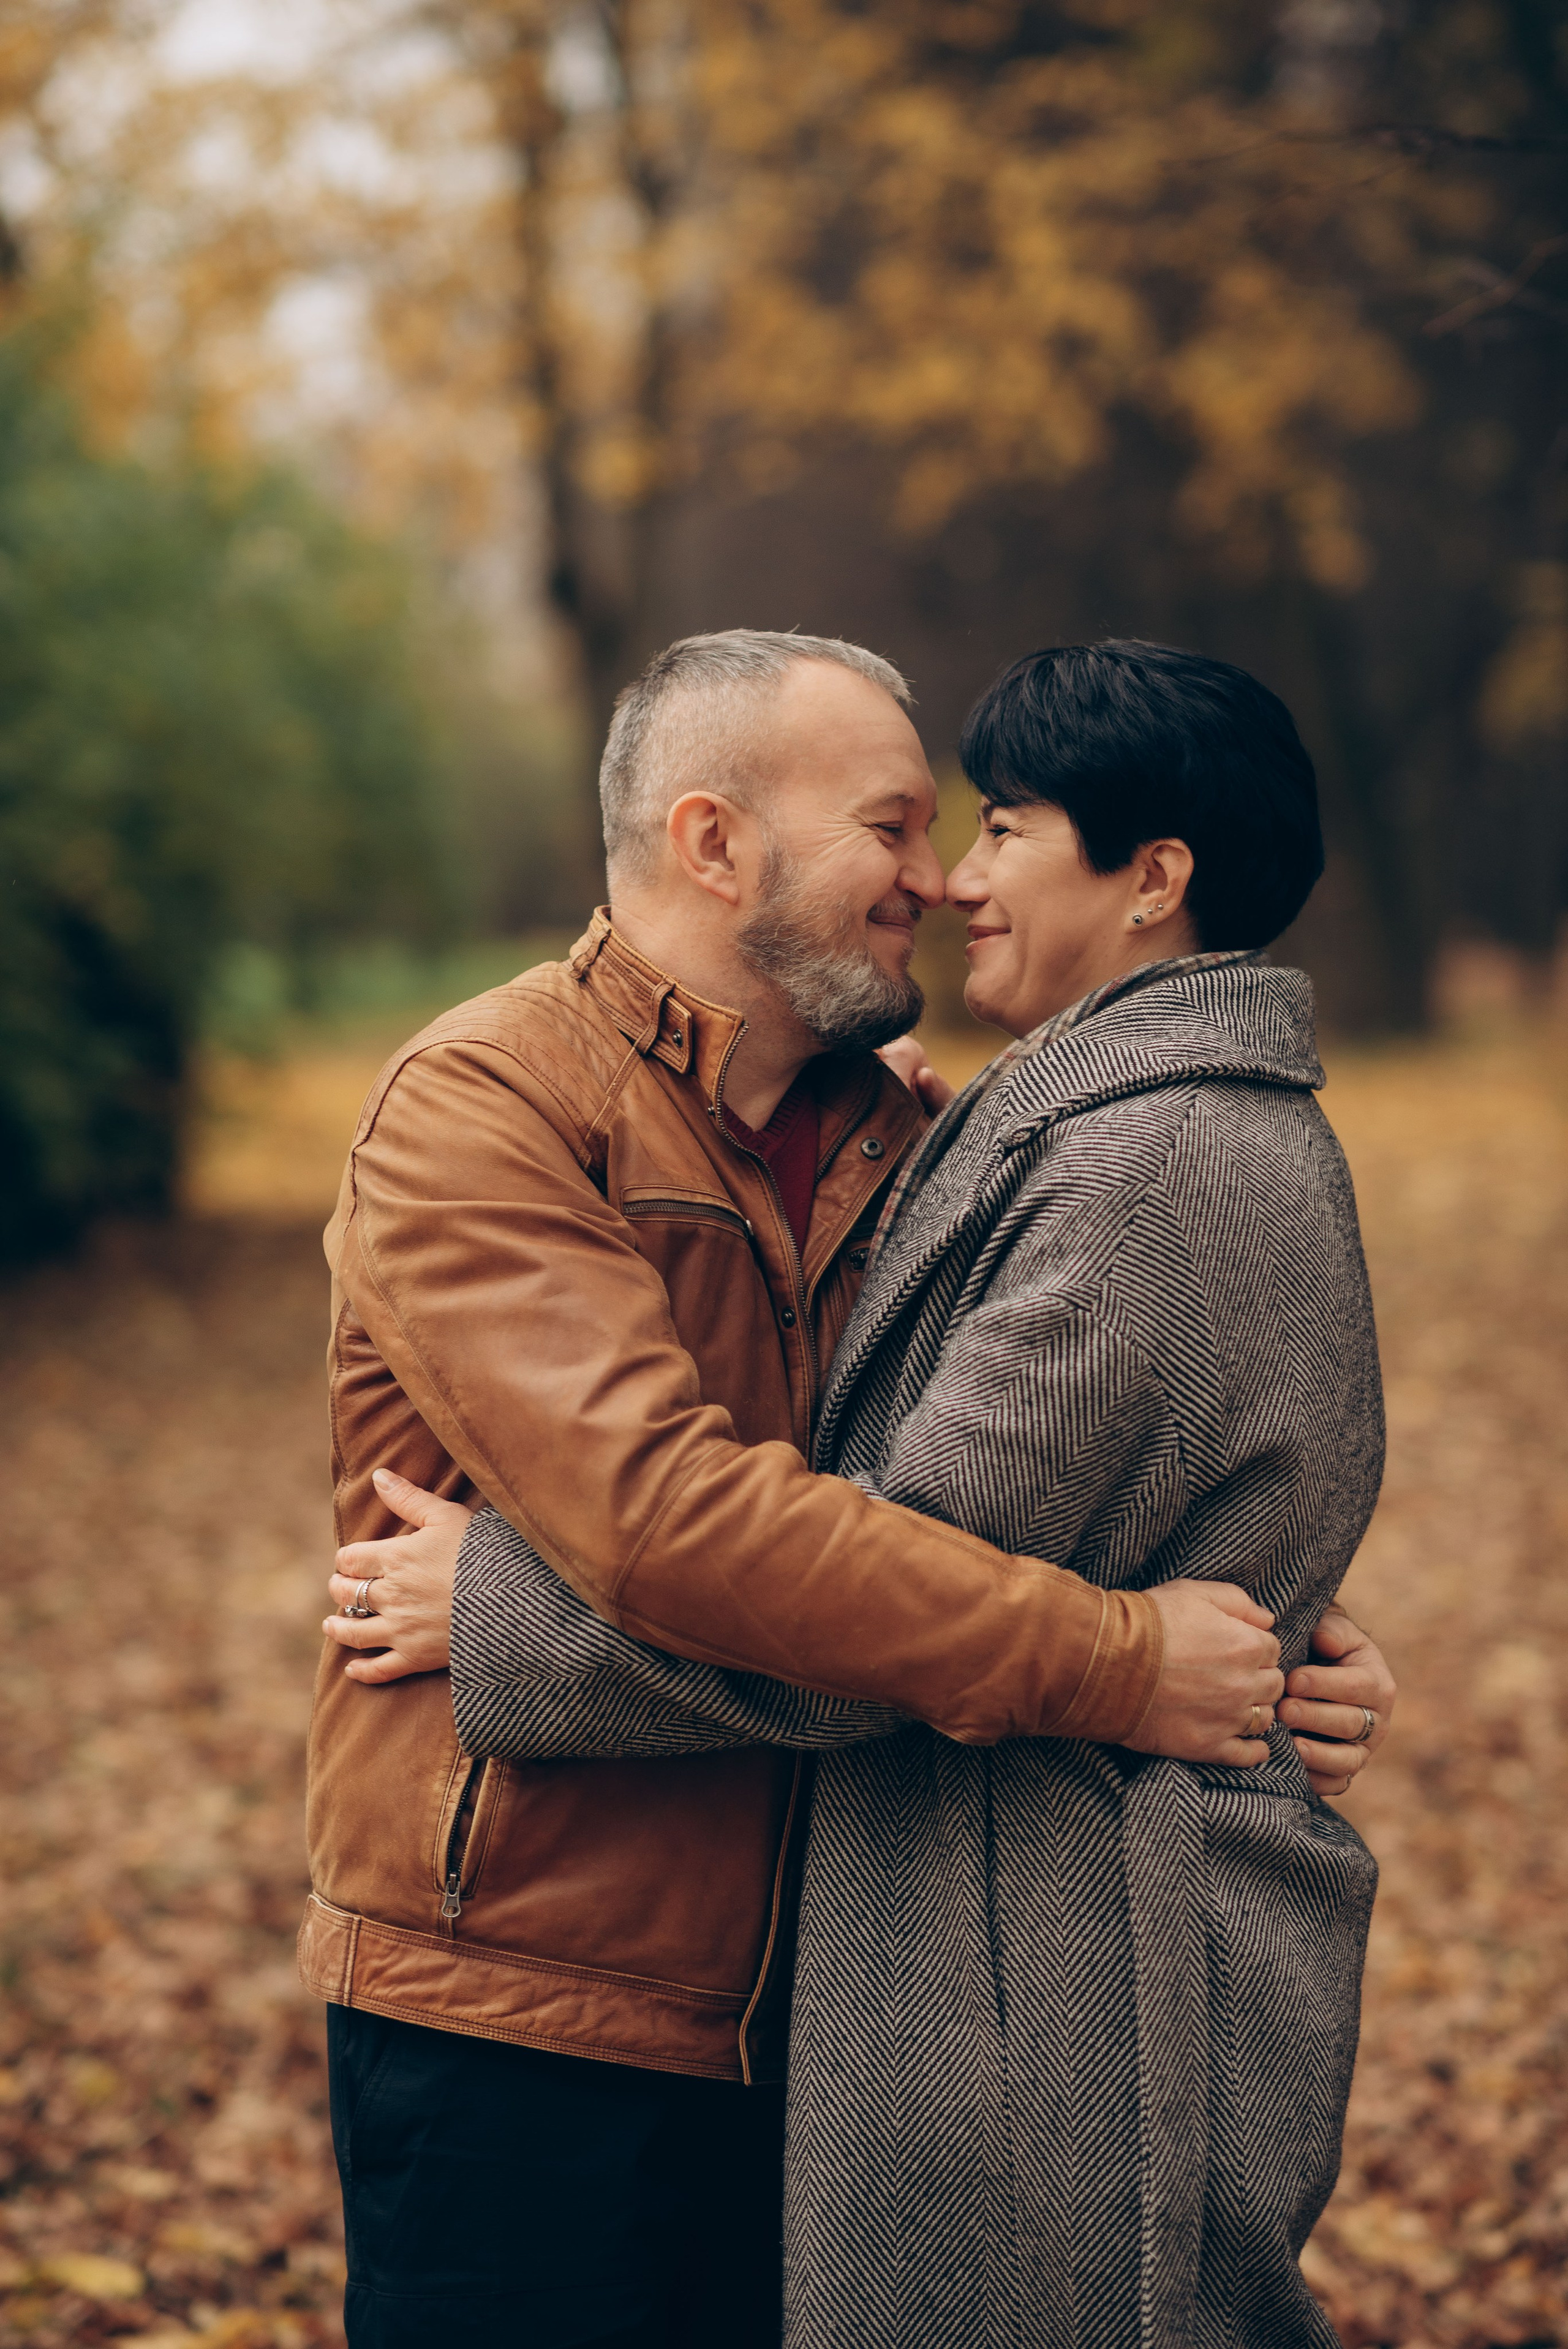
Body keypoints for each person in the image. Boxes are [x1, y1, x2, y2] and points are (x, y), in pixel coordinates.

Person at [309, 632, 1395, 2349]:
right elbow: (676, 1525)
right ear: (715, 843)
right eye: (896, 825)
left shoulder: (920, 1137)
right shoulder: (490, 1108)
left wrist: (1280, 1629)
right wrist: (1119, 1654)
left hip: (820, 2012)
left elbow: (989, 1496)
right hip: (534, 2001)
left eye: (972, 828)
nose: (935, 876)